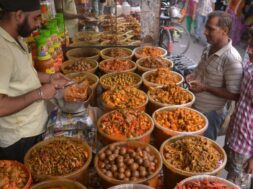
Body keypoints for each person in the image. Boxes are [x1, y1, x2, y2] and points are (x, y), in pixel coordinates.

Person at [0, 0, 69, 162]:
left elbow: (25, 74)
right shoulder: (2, 50)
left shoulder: (16, 38)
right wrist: (39, 93)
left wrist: (50, 78)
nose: (39, 23)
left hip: (34, 127)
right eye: (36, 18)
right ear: (18, 15)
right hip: (20, 138)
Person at [186, 11, 243, 140]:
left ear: (225, 31)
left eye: (210, 29)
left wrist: (205, 88)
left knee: (203, 150)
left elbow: (235, 94)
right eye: (206, 27)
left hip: (210, 115)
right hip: (194, 107)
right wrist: (192, 76)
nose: (205, 32)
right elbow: (200, 71)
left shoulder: (231, 59)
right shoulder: (209, 47)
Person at [225, 29, 253, 184]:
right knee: (230, 175)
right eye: (249, 45)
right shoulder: (249, 63)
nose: (248, 50)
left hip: (247, 145)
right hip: (236, 133)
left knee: (236, 183)